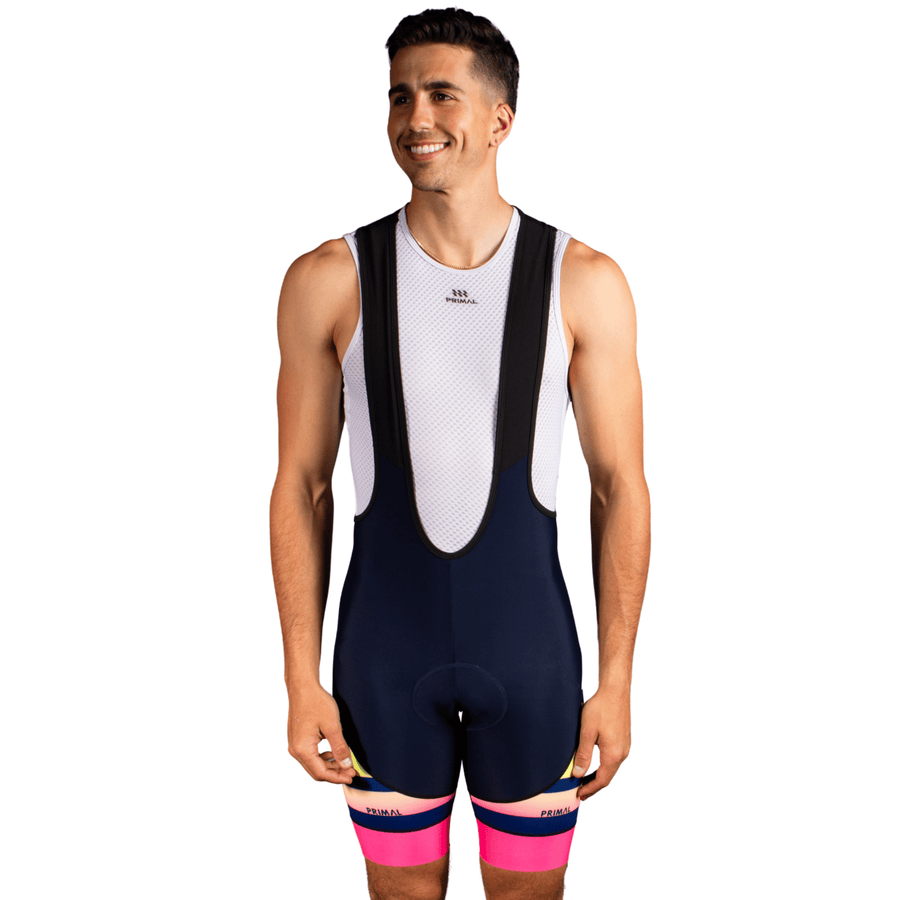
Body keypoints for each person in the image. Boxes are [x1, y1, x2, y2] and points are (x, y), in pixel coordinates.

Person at [269, 8, 651, 899]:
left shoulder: (583, 280)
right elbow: (300, 486)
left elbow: (620, 488)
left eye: (442, 94)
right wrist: (298, 677)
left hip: (532, 657)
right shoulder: (328, 278)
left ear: (500, 119)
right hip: (381, 659)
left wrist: (618, 679)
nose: (417, 118)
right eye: (400, 95)